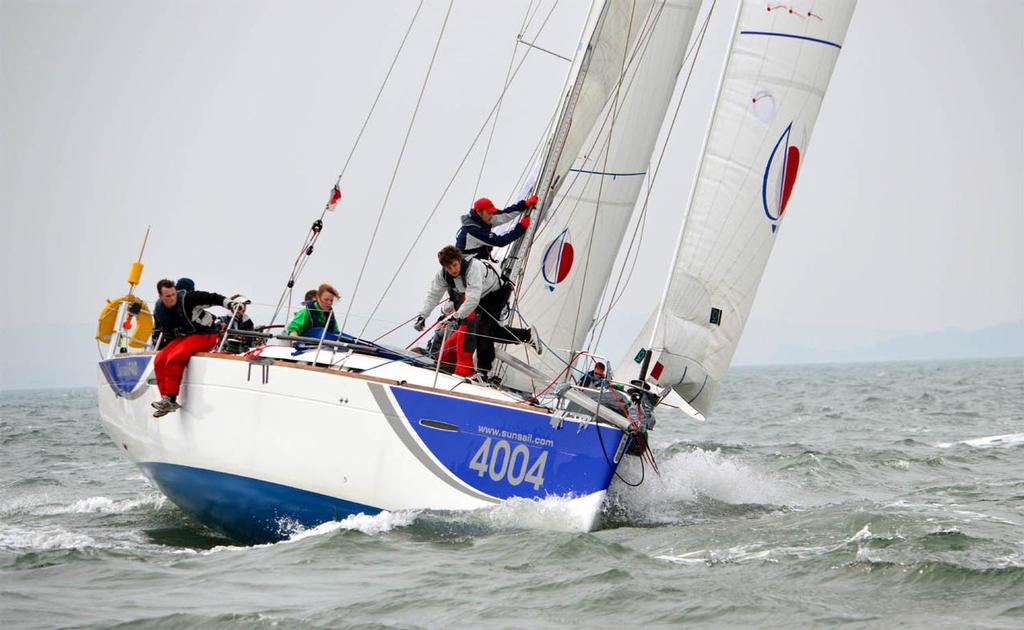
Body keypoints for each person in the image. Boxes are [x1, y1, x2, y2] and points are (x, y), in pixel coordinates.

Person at [415, 246, 542, 381]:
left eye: (455, 265)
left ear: (459, 260)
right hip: (481, 297)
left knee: (483, 331)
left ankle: (483, 373)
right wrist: (422, 316)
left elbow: (473, 299)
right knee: (490, 331)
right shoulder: (443, 276)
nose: (453, 270)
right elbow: (433, 295)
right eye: (449, 267)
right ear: (444, 267)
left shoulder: (473, 267)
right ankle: (527, 336)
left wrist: (457, 317)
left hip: (497, 292)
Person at [151, 278, 246, 417]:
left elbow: (213, 297)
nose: (172, 298)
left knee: (175, 357)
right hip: (184, 337)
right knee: (159, 359)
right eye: (168, 296)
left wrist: (230, 304)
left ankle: (171, 399)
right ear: (160, 296)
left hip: (205, 334)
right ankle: (165, 399)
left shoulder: (188, 298)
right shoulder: (159, 309)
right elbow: (162, 331)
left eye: (173, 294)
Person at [456, 195, 538, 261]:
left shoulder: (482, 218)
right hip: (469, 272)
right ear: (479, 212)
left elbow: (503, 215)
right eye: (489, 213)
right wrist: (521, 228)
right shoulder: (473, 231)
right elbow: (500, 241)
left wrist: (524, 204)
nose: (492, 216)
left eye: (492, 213)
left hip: (479, 265)